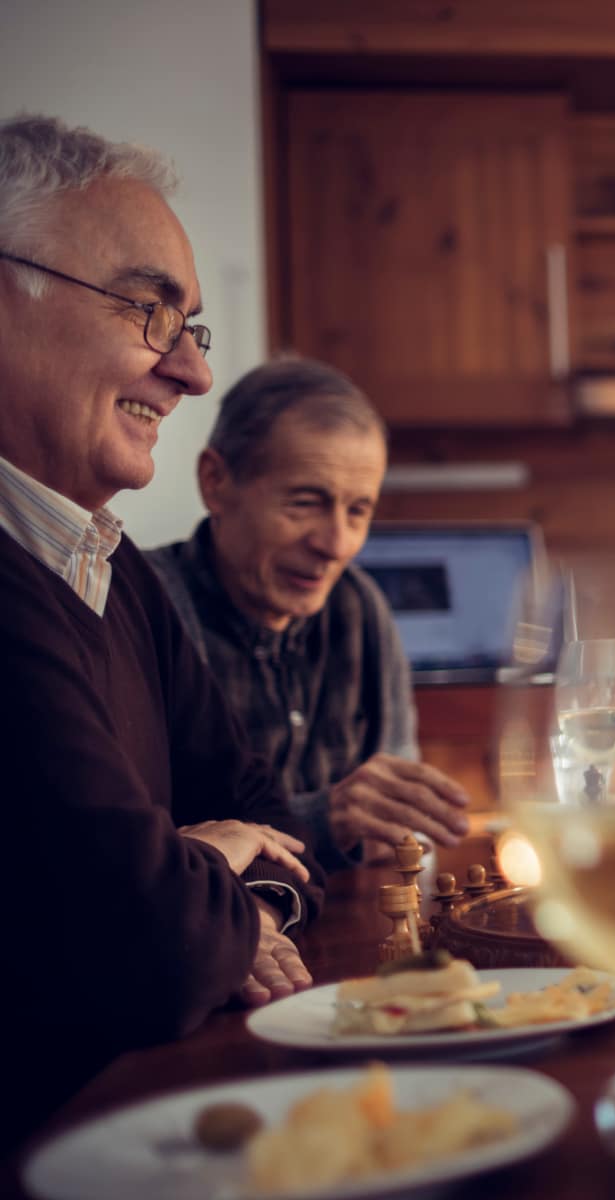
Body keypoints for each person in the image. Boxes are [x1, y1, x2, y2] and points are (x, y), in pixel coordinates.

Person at [0, 114, 324, 1128]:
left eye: (192, 331)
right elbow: (152, 944)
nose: (190, 374)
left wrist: (219, 874)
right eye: (149, 311)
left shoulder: (106, 562)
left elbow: (263, 820)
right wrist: (208, 866)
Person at [147, 358, 471, 869]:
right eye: (304, 503)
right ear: (215, 483)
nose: (337, 544)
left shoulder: (361, 605)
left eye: (358, 510)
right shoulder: (144, 606)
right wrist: (324, 820)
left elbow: (394, 833)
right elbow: (136, 851)